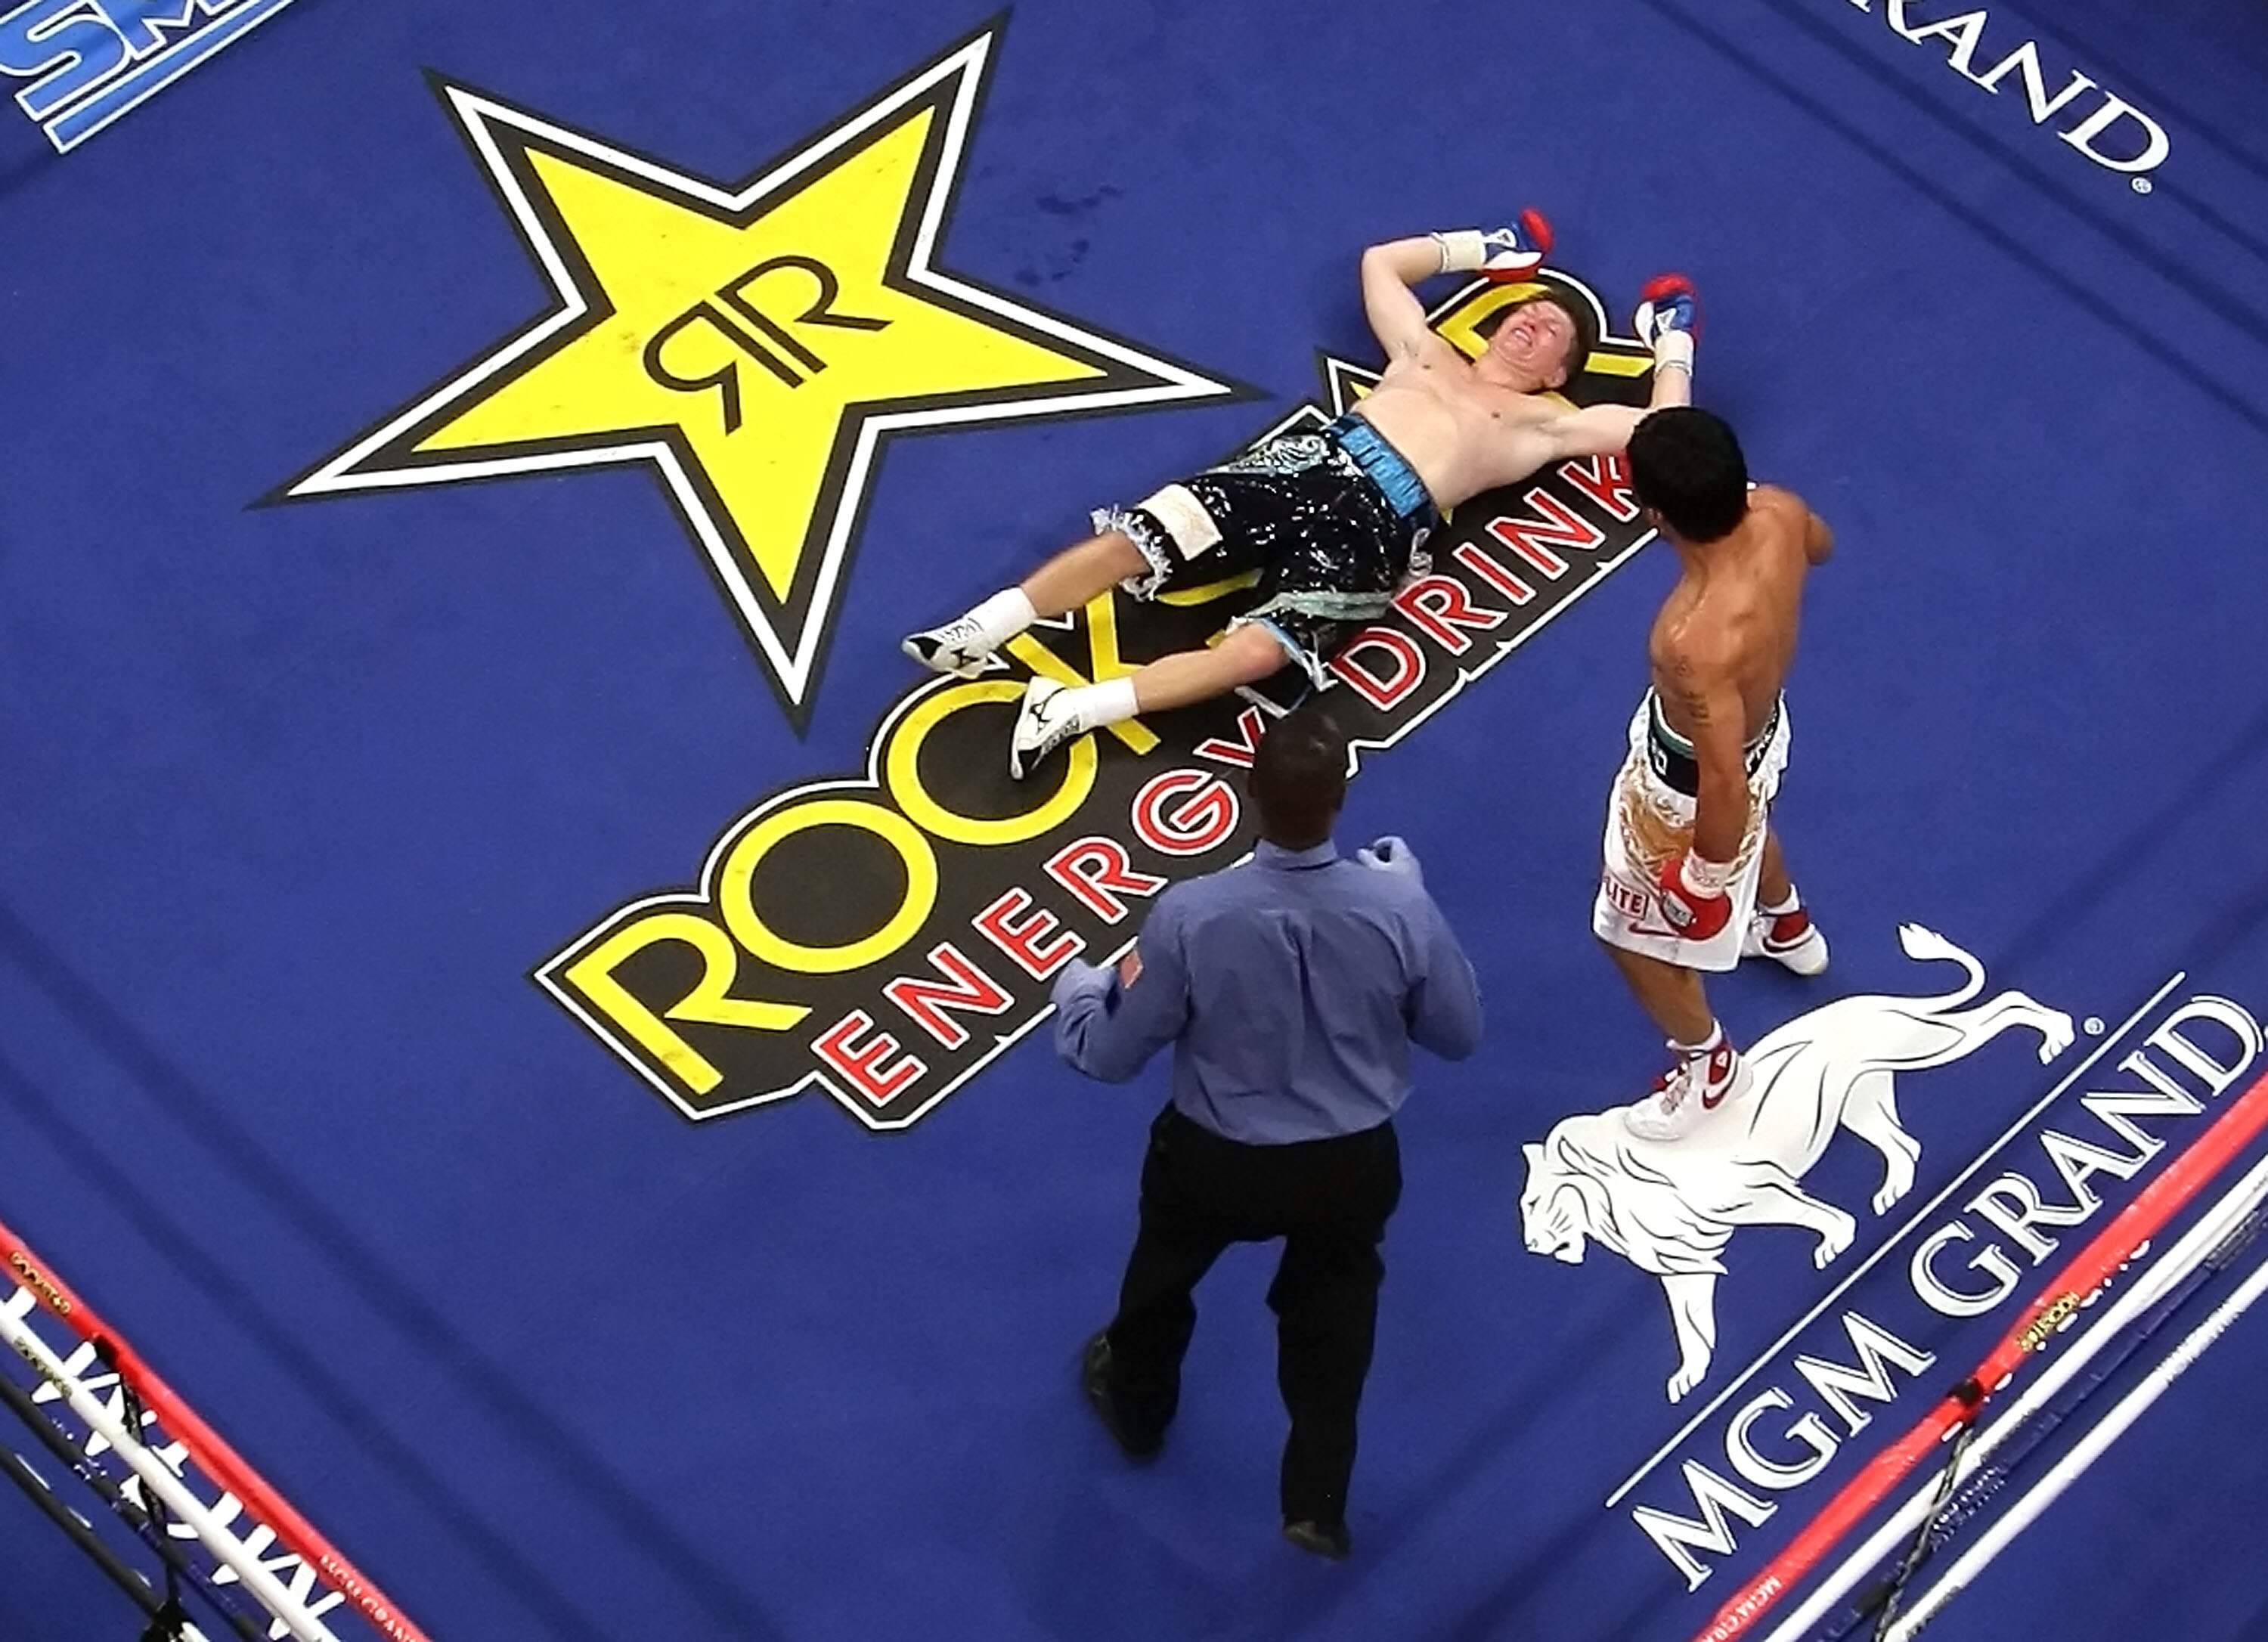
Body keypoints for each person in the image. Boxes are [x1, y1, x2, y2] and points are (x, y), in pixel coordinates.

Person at [903, 215, 1699, 777]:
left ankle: (1069, 710)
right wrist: (1489, 247)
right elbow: (1381, 264)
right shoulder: (1423, 351)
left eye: (1550, 330)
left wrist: (1672, 344)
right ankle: (983, 628)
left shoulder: (1542, 423)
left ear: (1560, 372)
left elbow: (1665, 432)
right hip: (1310, 462)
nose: (1529, 324)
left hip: (1380, 528)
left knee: (1256, 654)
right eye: (1523, 311)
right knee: (1138, 539)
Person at [1049, 705, 1482, 1559]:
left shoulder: (1190, 916)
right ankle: (1317, 1502)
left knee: (1161, 1283)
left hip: (1215, 1162)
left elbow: (1108, 1056)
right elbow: (1458, 1035)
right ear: (1340, 799)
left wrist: (1078, 989)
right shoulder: (1398, 907)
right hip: (1349, 1166)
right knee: (1336, 1317)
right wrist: (1416, 906)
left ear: (1251, 793)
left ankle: (1136, 1411)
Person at [1594, 407, 1834, 1142]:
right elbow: (1821, 548)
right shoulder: (1784, 511)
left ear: (1656, 515)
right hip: (1766, 725)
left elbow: (1720, 782)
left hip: (1687, 790)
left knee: (1627, 938)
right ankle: (1786, 926)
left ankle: (1710, 1066)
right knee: (1756, 805)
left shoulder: (1689, 638)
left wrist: (1701, 879)